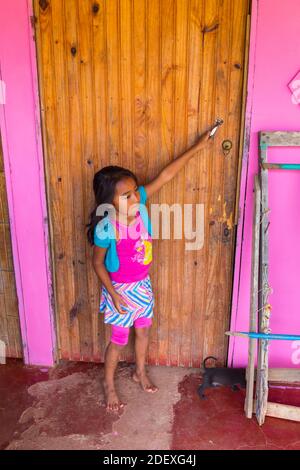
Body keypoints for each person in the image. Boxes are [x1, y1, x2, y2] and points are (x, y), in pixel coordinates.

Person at [87, 129, 213, 412]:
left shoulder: (139, 205)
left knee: (143, 333)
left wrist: (197, 147)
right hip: (119, 291)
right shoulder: (107, 227)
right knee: (118, 341)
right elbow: (97, 263)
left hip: (142, 286)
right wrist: (113, 295)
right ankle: (109, 384)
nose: (135, 200)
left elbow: (166, 175)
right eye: (126, 197)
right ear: (109, 202)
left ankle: (139, 372)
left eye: (135, 193)